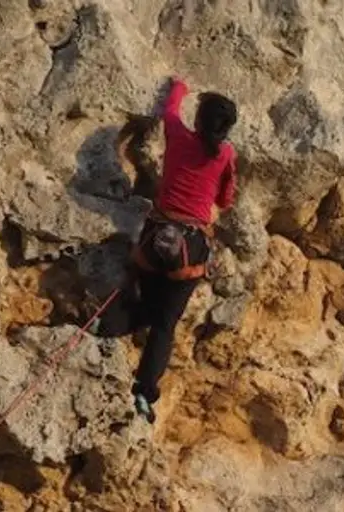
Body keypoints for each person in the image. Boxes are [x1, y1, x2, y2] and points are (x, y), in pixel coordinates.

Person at [98, 75, 239, 422]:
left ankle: (104, 333)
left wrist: (179, 86)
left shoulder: (177, 135)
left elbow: (170, 110)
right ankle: (145, 393)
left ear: (199, 120)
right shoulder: (224, 156)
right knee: (164, 324)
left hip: (154, 239)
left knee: (144, 300)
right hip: (188, 253)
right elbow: (226, 198)